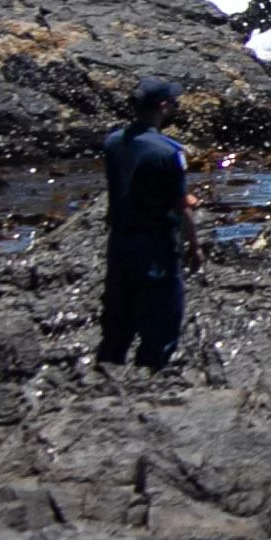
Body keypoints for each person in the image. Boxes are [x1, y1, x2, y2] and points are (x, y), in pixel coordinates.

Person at [97, 80, 203, 369]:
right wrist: (194, 247)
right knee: (162, 316)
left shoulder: (113, 142)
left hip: (119, 242)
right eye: (173, 103)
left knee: (118, 313)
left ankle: (108, 370)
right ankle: (151, 377)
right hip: (156, 245)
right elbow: (180, 206)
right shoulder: (169, 151)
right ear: (163, 107)